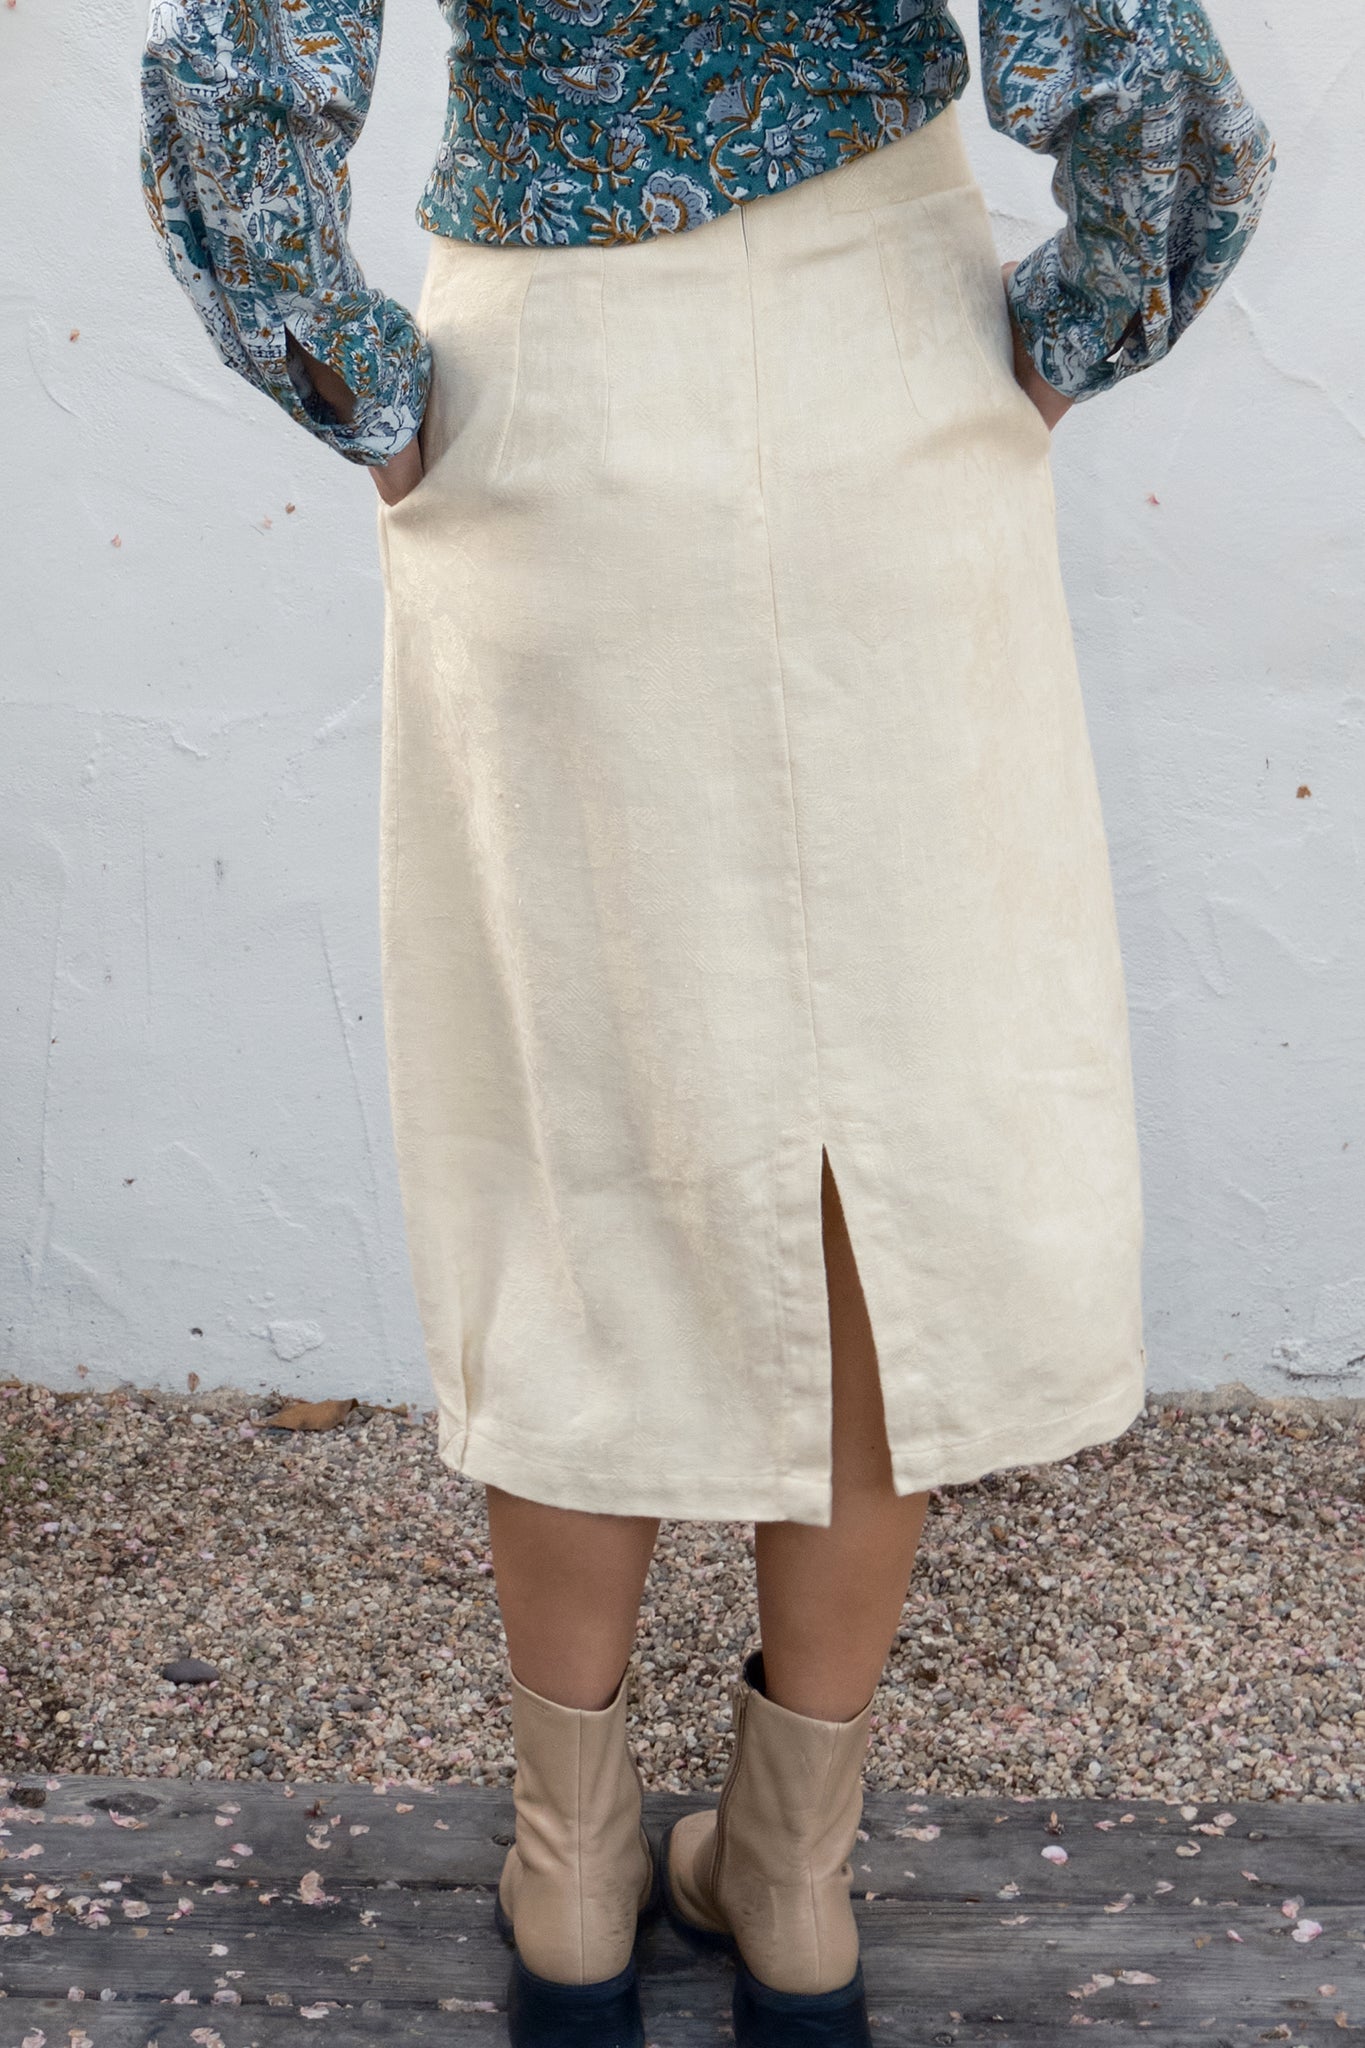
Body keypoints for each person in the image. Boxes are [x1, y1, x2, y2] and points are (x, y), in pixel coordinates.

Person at [140, 4, 1275, 2042]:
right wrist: (1081, 315)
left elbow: (239, 66)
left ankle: (572, 1876)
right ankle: (793, 1881)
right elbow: (1129, 60)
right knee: (885, 1131)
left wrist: (361, 379)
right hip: (878, 355)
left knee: (570, 1114)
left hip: (548, 383)